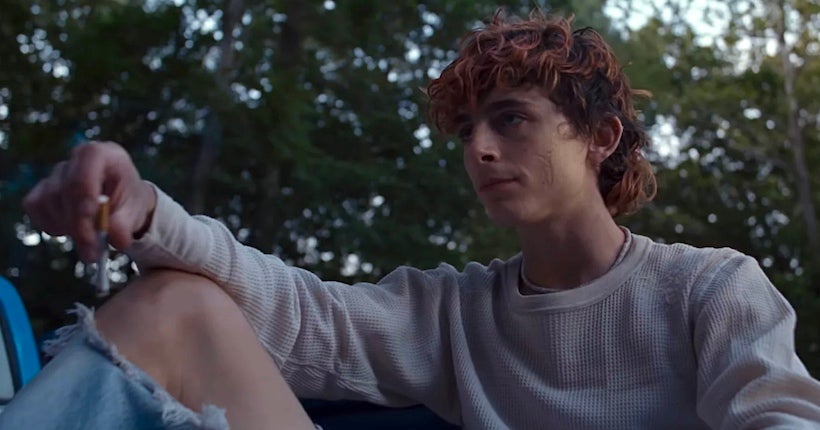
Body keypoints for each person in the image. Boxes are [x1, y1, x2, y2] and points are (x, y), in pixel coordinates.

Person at [2, 9, 820, 430]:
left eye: (511, 120)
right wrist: (145, 212)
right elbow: (293, 310)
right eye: (468, 132)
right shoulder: (454, 312)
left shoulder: (711, 289)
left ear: (601, 138)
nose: (481, 150)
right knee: (177, 304)